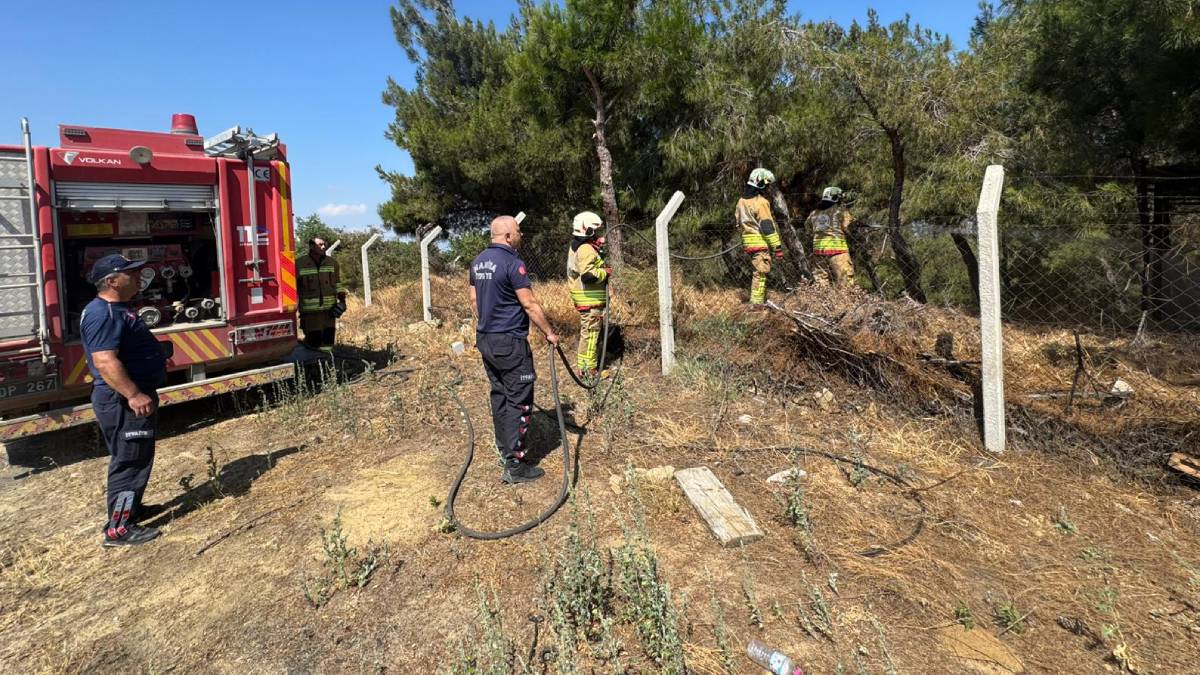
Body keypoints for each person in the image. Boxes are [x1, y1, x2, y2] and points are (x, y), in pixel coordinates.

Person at [81, 254, 169, 547]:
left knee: (138, 456)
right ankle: (118, 529)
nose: (136, 277)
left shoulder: (115, 309)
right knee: (130, 460)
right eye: (130, 273)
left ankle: (131, 507)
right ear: (111, 281)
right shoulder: (103, 313)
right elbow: (105, 361)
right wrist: (133, 394)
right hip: (123, 402)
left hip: (129, 397)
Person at [469, 215, 560, 484]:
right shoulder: (512, 262)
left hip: (486, 338)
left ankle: (504, 447)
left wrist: (488, 321)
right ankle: (515, 464)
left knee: (499, 394)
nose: (521, 235)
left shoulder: (478, 261)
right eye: (518, 231)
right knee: (519, 398)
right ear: (508, 236)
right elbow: (530, 304)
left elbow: (474, 300)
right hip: (509, 342)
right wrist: (550, 332)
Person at [566, 211, 610, 376]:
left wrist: (596, 245)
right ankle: (588, 370)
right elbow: (589, 276)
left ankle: (585, 367)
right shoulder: (585, 249)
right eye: (594, 230)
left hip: (586, 299)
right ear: (587, 229)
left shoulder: (578, 245)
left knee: (588, 333)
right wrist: (605, 272)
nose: (596, 233)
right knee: (591, 334)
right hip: (589, 300)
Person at [736, 168, 785, 307]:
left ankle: (756, 303)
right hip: (760, 243)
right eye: (767, 184)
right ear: (760, 183)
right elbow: (767, 227)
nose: (768, 188)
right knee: (760, 274)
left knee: (757, 272)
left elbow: (738, 224)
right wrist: (777, 247)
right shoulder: (761, 202)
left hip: (748, 243)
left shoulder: (741, 201)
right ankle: (756, 305)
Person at [297, 238, 346, 353]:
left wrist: (342, 301)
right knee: (313, 341)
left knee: (328, 341)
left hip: (329, 312)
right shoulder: (299, 264)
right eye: (320, 244)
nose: (323, 247)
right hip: (310, 313)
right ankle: (312, 367)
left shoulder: (332, 263)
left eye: (324, 244)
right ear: (311, 246)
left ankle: (328, 363)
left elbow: (338, 283)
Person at [806, 186, 857, 288]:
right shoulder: (840, 211)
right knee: (845, 281)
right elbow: (848, 227)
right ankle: (846, 303)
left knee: (821, 282)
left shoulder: (814, 213)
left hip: (819, 250)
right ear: (836, 198)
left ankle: (822, 302)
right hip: (838, 250)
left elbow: (808, 228)